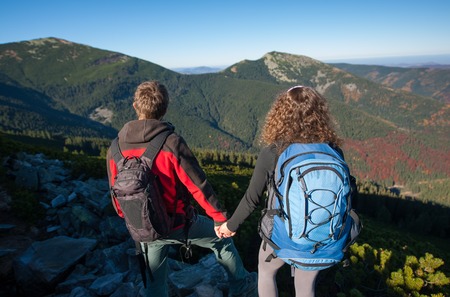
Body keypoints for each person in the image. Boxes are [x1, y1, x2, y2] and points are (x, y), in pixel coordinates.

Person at [106, 81, 257, 297]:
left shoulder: (115, 148)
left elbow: (116, 194)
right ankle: (241, 285)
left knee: (154, 284)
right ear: (164, 108)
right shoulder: (171, 142)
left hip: (144, 228)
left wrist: (134, 219)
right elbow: (197, 185)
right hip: (179, 223)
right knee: (222, 242)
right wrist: (219, 218)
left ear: (134, 106)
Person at [217, 85, 344, 297]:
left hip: (281, 235)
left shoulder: (275, 150)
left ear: (281, 114)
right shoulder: (333, 150)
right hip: (322, 235)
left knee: (266, 272)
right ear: (319, 113)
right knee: (306, 287)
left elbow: (252, 198)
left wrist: (230, 226)